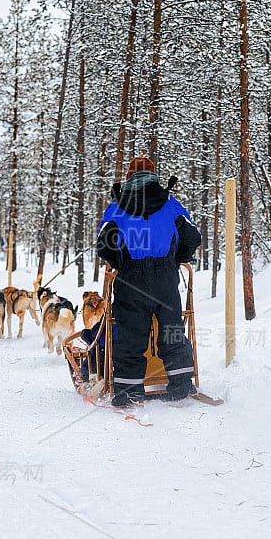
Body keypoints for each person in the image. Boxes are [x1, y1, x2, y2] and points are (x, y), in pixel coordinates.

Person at [96, 156, 201, 406]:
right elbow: (192, 237)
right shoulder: (170, 204)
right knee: (172, 329)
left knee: (131, 333)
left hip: (131, 278)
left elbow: (104, 244)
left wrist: (121, 262)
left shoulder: (118, 207)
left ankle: (128, 390)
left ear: (130, 176)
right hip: (165, 277)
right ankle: (181, 383)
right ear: (154, 175)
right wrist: (178, 258)